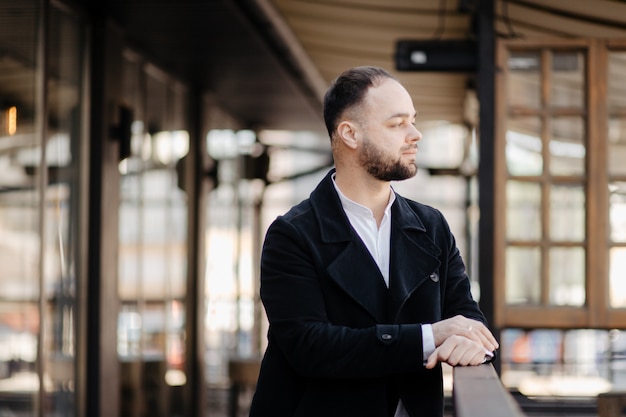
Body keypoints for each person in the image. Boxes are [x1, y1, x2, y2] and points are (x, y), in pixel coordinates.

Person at [248, 66, 498, 417]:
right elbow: (310, 346)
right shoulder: (292, 234)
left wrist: (471, 343)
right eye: (397, 124)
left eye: (413, 120)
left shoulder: (431, 226)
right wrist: (431, 337)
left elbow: (466, 316)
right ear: (349, 133)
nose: (415, 134)